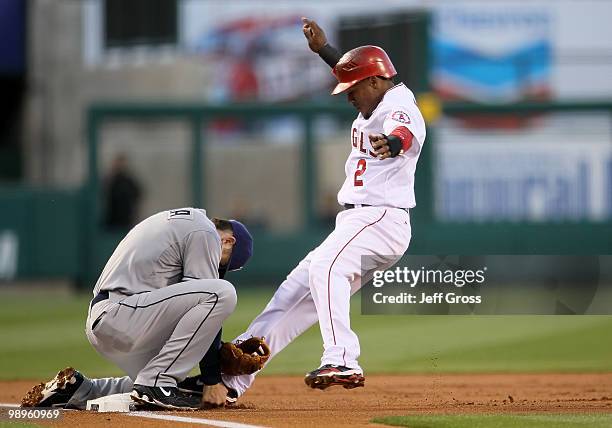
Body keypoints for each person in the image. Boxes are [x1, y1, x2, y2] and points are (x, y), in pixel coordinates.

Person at [218, 17, 427, 399]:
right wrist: (325, 52)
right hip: (359, 221)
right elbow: (357, 73)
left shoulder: (400, 103)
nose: (348, 95)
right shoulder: (376, 93)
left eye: (353, 88)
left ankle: (343, 357)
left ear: (376, 83)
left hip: (380, 217)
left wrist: (395, 144)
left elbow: (408, 130)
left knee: (329, 267)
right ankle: (232, 376)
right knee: (294, 292)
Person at [21, 208, 253, 410]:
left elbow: (190, 314)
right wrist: (212, 378)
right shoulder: (205, 232)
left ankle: (80, 390)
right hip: (122, 314)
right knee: (223, 292)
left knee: (176, 379)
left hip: (116, 318)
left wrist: (215, 350)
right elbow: (208, 297)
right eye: (225, 262)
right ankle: (155, 383)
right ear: (228, 241)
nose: (218, 266)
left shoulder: (185, 223)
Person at [103, 153, 143, 230]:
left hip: (126, 219)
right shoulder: (110, 180)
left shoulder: (128, 180)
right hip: (112, 219)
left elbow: (138, 194)